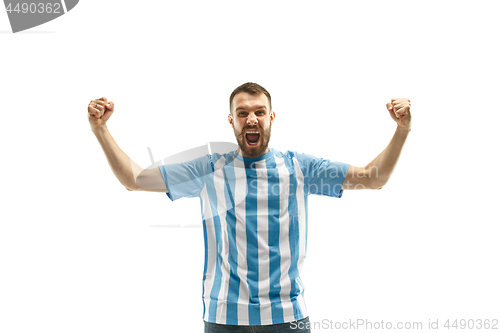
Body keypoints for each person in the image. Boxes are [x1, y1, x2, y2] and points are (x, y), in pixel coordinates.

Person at [88, 82, 412, 332]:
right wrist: (100, 129)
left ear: (271, 117)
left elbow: (374, 178)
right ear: (232, 121)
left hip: (288, 319)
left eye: (258, 111)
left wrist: (402, 129)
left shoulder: (301, 167)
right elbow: (134, 179)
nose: (251, 118)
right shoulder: (209, 169)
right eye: (242, 113)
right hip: (223, 319)